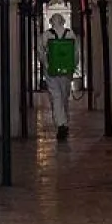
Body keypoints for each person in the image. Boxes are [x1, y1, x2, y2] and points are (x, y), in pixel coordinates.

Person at [38, 13, 76, 141]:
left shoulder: (46, 35)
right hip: (66, 71)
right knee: (64, 96)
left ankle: (61, 123)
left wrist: (47, 65)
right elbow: (76, 52)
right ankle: (64, 121)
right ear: (63, 21)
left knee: (56, 96)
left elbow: (40, 53)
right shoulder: (70, 34)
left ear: (51, 22)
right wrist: (72, 66)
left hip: (52, 71)